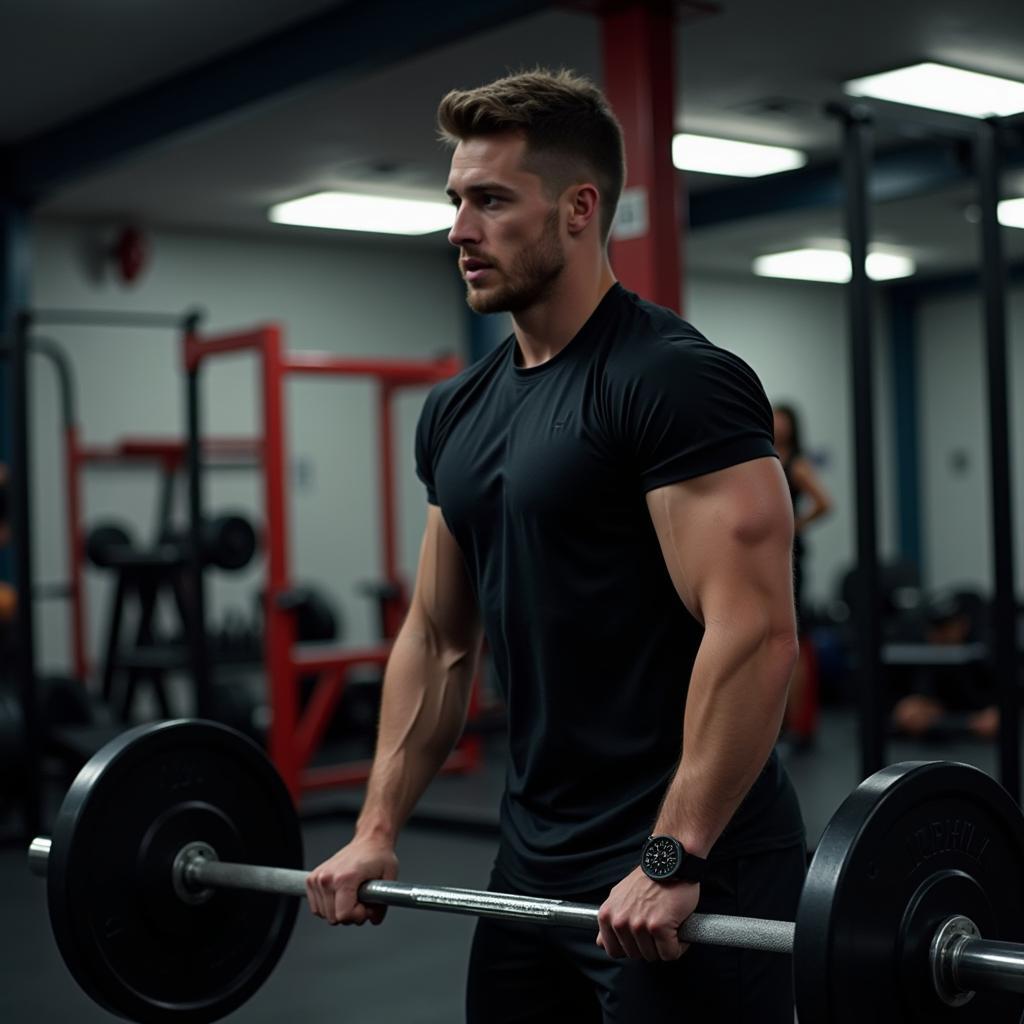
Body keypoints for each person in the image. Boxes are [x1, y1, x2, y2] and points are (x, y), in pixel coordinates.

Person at [306, 69, 805, 1023]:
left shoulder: (672, 382)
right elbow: (438, 640)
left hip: (689, 867)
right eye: (456, 200)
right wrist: (376, 829)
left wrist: (674, 856)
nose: (459, 229)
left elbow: (753, 632)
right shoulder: (457, 413)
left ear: (581, 209)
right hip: (532, 860)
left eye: (492, 200)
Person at [771, 403, 832, 744]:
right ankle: (777, 723)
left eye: (783, 419)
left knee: (792, 639)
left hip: (790, 558)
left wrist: (795, 526)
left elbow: (824, 502)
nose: (777, 423)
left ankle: (800, 725)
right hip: (769, 556)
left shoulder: (797, 463)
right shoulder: (764, 455)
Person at [890, 589, 998, 740]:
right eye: (935, 628)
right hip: (944, 736)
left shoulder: (982, 653)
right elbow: (910, 716)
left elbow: (992, 720)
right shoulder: (924, 656)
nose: (939, 635)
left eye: (947, 627)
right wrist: (967, 723)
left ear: (963, 624)